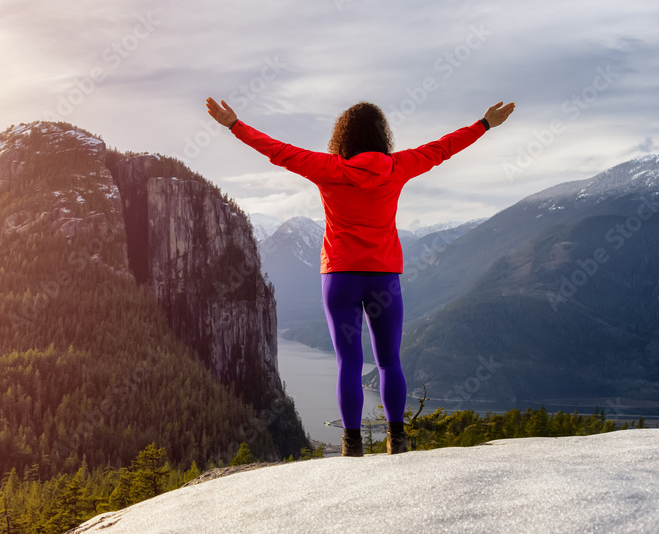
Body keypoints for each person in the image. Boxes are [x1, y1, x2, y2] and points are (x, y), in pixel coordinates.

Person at [205, 96, 515, 456]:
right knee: (388, 361)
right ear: (383, 136)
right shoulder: (398, 166)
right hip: (384, 277)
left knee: (349, 363)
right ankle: (396, 439)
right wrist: (484, 124)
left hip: (339, 276)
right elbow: (443, 148)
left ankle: (352, 444)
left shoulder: (328, 168)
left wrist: (234, 125)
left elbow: (278, 151)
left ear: (343, 138)